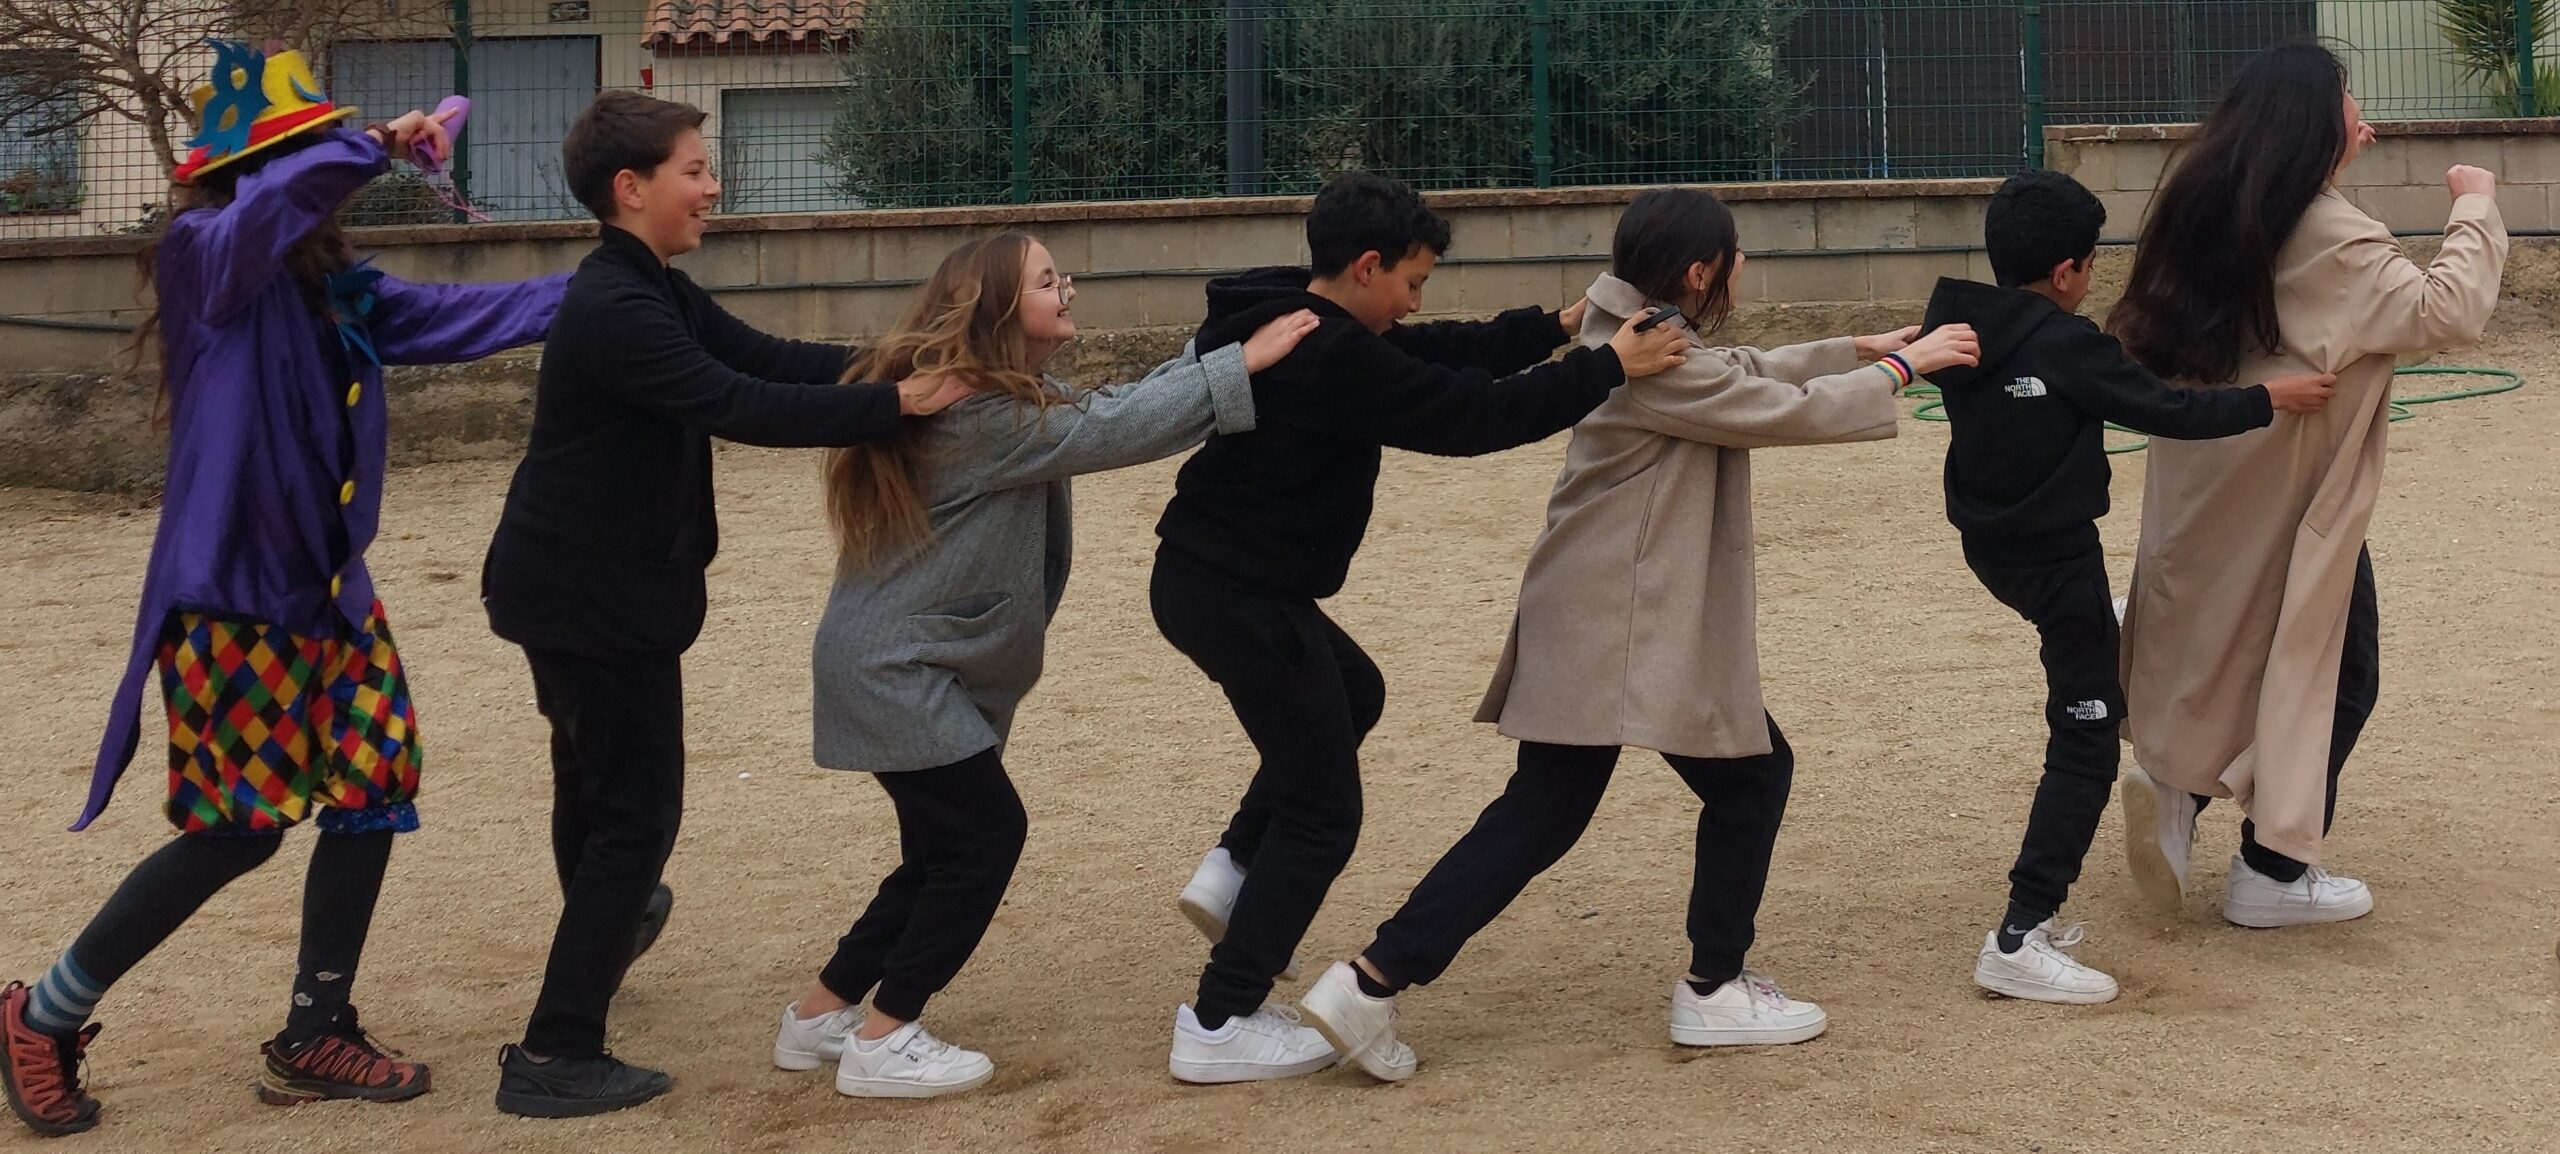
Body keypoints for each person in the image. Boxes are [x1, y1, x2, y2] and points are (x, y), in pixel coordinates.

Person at [1, 45, 566, 1136]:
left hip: (330, 593)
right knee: (238, 830)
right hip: (231, 600)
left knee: (374, 784)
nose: (321, 173)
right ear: (252, 173)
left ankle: (315, 1032)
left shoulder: (329, 283)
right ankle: (43, 1010)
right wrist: (372, 144)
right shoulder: (204, 255)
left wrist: (602, 291)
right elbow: (266, 216)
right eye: (301, 152)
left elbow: (454, 317)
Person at [1295, 187, 1979, 1079]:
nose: (1741, 267)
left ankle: (1372, 980)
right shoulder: (1652, 358)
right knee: (1744, 778)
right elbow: (1775, 408)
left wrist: (1853, 348)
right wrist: (1902, 369)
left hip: (1595, 612)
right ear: (1697, 272)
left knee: (1550, 809)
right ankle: (1710, 989)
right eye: (1732, 256)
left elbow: (1733, 369)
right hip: (1618, 621)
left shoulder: (1637, 329)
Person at [477, 90, 972, 1118]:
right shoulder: (617, 308)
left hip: (574, 592)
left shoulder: (648, 284)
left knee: (596, 794)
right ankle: (556, 1051)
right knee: (635, 815)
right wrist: (895, 405)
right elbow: (737, 402)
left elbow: (765, 356)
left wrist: (905, 364)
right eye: (695, 171)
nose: (713, 187)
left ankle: (603, 940)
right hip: (590, 602)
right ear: (631, 187)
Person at [1151, 170, 1690, 1084]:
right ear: (1367, 266)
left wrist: (1557, 326)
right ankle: (1219, 1020)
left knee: (1353, 692)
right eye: (1411, 282)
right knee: (1323, 815)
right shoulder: (1331, 357)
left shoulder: (1293, 310)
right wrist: (1606, 369)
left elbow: (1439, 352)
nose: (1415, 302)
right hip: (1238, 597)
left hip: (1214, 581)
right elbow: (1470, 416)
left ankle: (1234, 869)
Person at [772, 231, 1317, 1099]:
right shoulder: (982, 417)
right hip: (896, 674)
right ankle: (886, 1034)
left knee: (937, 853)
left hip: (898, 666)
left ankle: (819, 1017)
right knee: (986, 838)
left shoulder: (998, 395)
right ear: (997, 309)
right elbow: (1117, 430)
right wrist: (1240, 365)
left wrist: (1214, 351)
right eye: (1046, 281)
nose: (1067, 289)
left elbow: (1113, 402)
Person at [2107, 41, 2507, 927]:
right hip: (2293, 489)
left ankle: (2177, 790)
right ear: (2313, 124)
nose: (2363, 116)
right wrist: (2474, 205)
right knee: (2337, 665)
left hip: (2205, 471)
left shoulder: (2204, 204)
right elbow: (2442, 309)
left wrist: (2334, 166)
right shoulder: (2328, 230)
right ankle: (2274, 869)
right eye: (2348, 102)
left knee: (2217, 634)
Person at [1919, 169, 2335, 1003]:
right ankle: (2019, 934)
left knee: (2088, 649)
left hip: (1994, 553)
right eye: (2090, 266)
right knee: (2085, 737)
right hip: (2058, 563)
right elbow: (2169, 411)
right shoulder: (2067, 345)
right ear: (2067, 272)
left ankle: (2118, 634)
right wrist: (2269, 398)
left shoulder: (1958, 328)